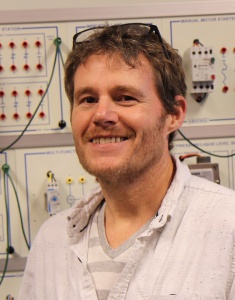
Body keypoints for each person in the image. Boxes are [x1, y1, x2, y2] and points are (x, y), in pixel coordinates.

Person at [18, 23, 235, 300]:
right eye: (88, 99)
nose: (102, 114)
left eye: (125, 97)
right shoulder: (52, 239)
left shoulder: (227, 228)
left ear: (175, 114)